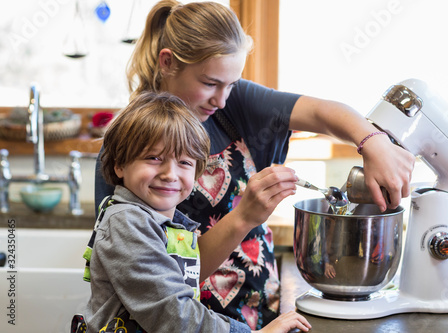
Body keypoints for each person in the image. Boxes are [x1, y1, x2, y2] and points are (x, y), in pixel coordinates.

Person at [94, 0, 415, 328]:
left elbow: (322, 112)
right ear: (167, 62)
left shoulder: (230, 102)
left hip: (257, 313)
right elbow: (167, 287)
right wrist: (244, 216)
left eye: (231, 83)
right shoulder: (127, 146)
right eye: (209, 83)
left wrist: (373, 142)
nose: (221, 99)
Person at [77, 91, 311, 333]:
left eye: (185, 162)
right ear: (120, 165)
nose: (170, 174)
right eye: (153, 157)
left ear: (197, 172)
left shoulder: (161, 222)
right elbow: (174, 315)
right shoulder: (127, 223)